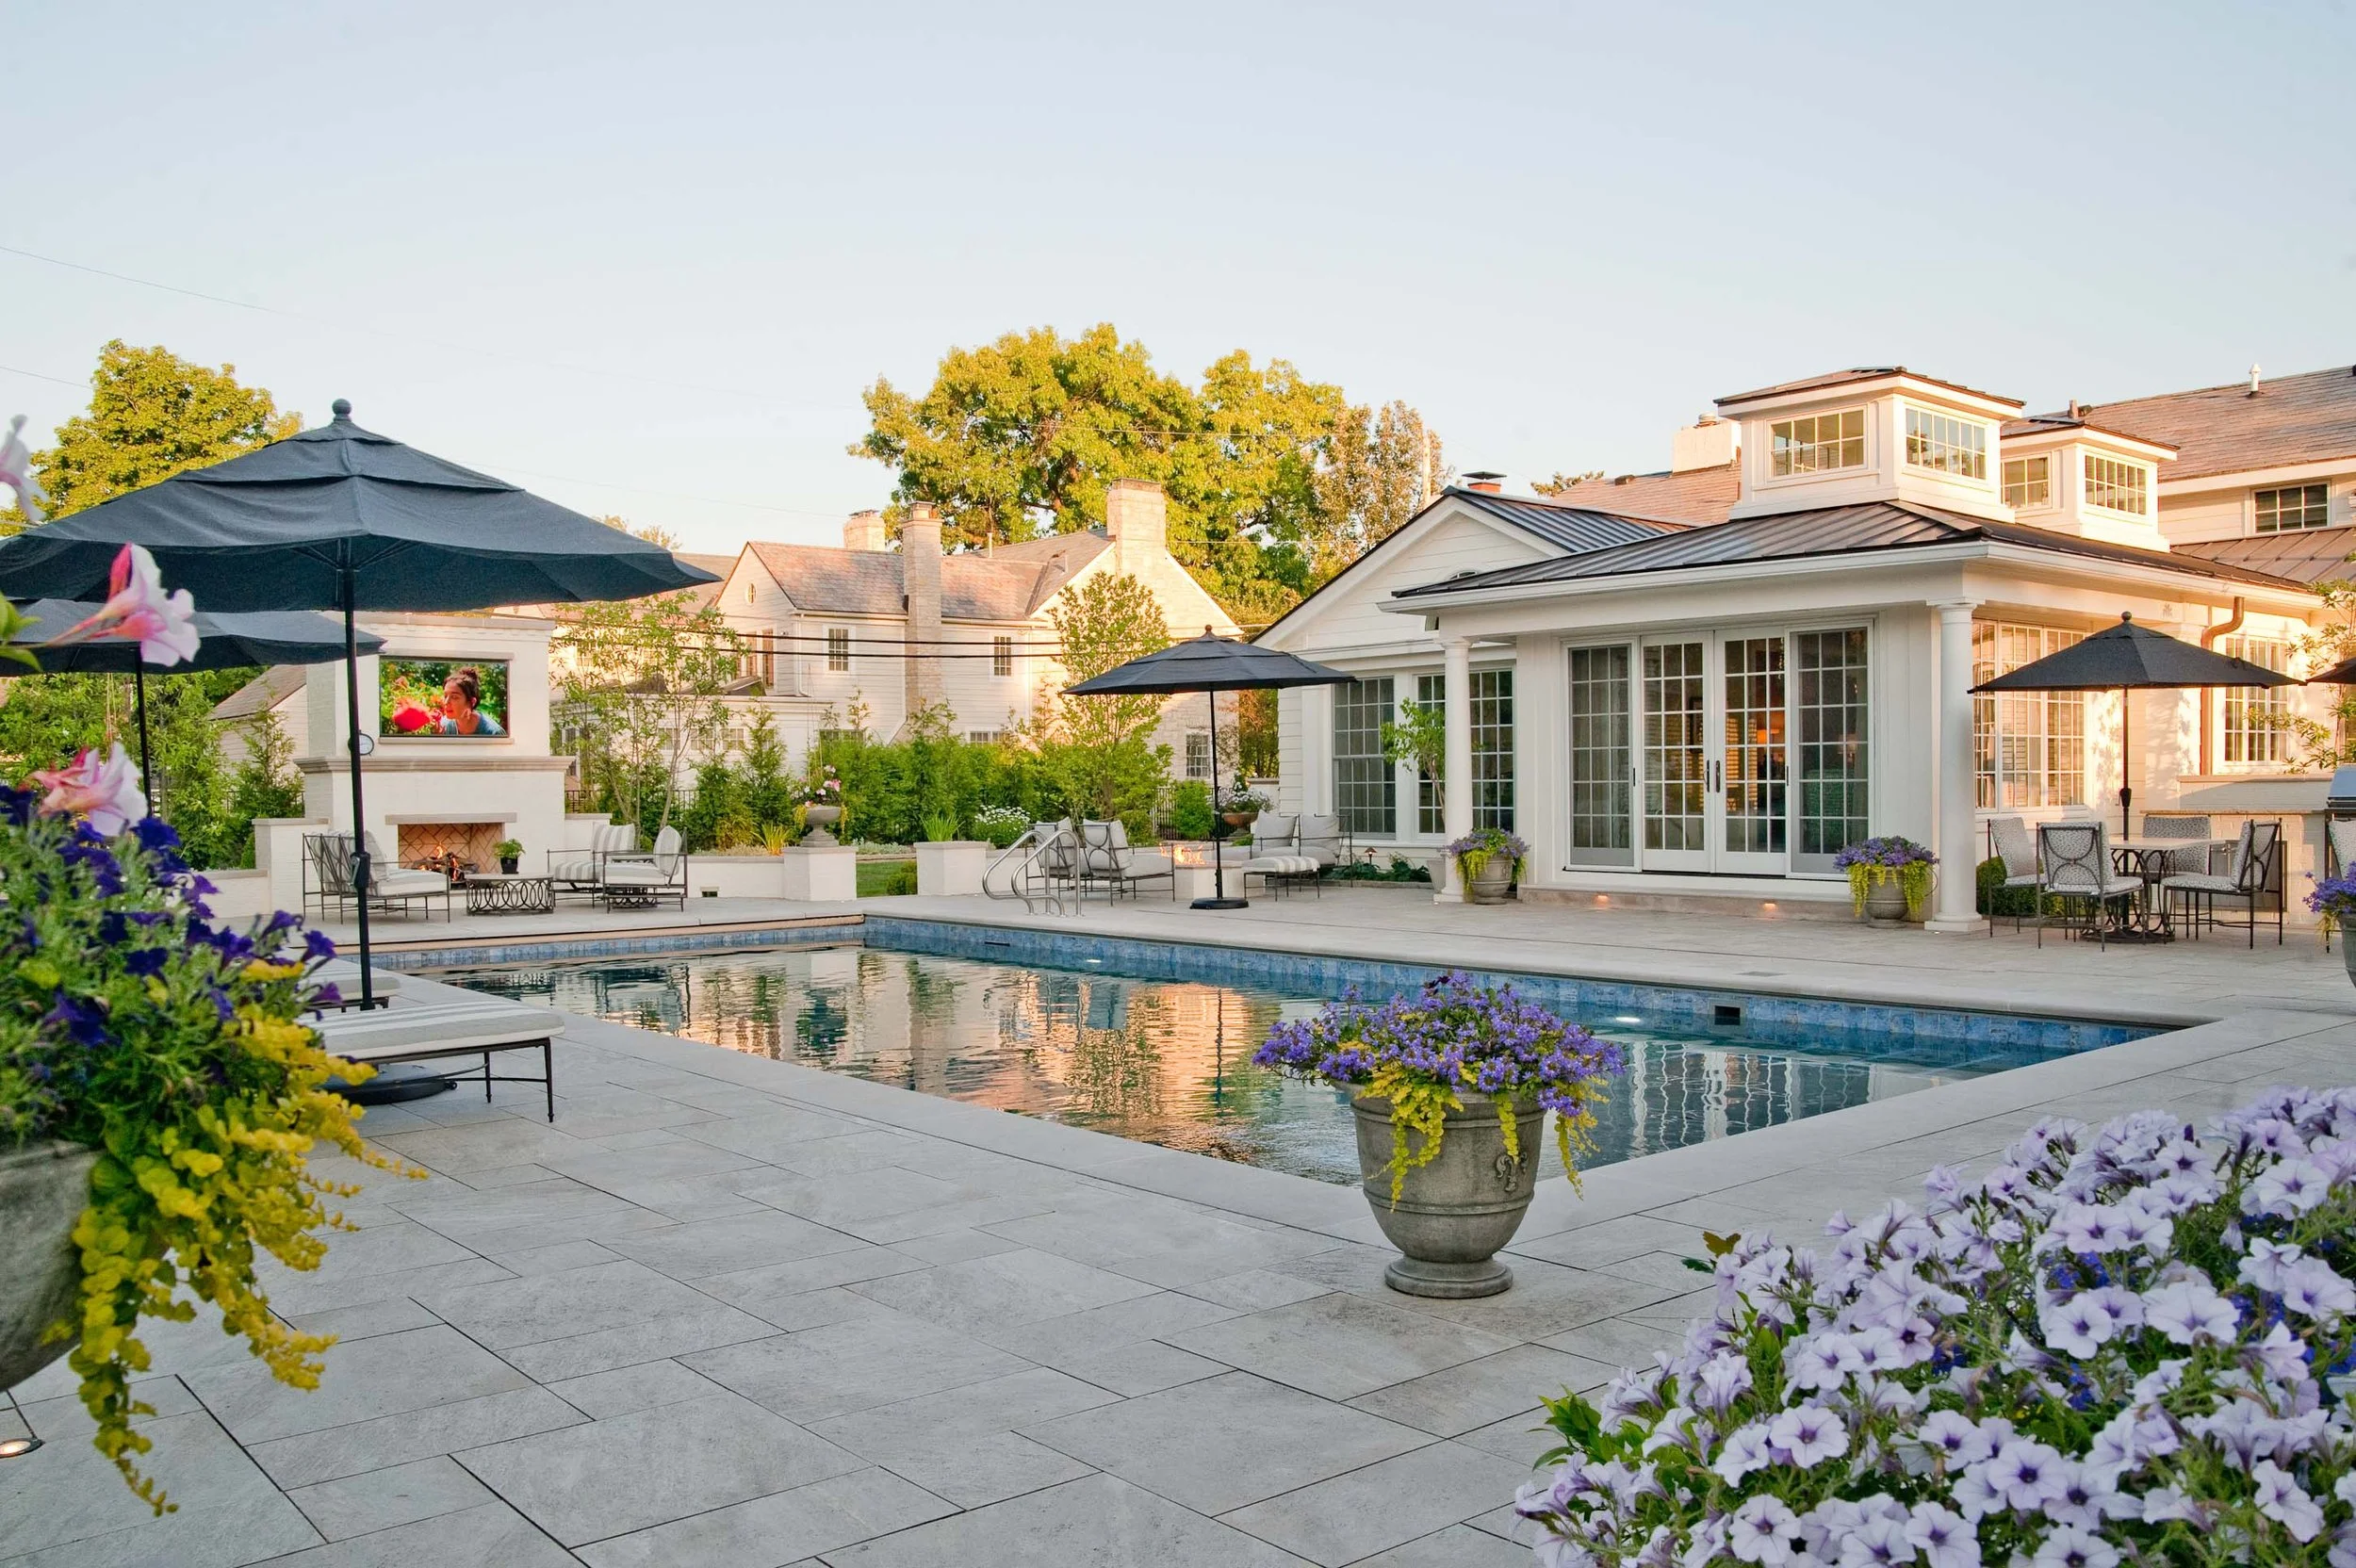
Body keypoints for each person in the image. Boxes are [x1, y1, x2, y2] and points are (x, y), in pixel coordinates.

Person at [437, 666, 505, 736]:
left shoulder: (493, 733)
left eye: (454, 697)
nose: (446, 702)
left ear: (472, 702)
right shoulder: (444, 726)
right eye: (445, 696)